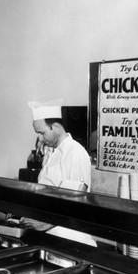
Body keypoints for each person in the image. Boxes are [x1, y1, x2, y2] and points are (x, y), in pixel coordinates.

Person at [19, 99, 96, 247]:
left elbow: (74, 201)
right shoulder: (51, 152)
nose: (40, 139)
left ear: (56, 127)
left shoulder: (75, 152)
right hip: (49, 232)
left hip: (69, 236)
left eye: (42, 133)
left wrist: (43, 224)